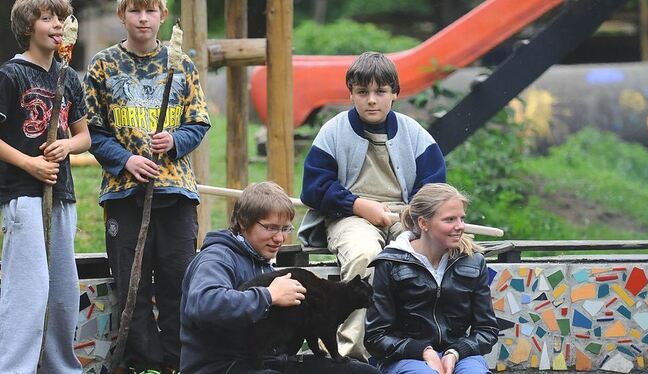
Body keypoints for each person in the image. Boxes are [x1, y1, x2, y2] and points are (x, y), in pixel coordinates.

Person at [83, 0, 210, 372]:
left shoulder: (181, 63)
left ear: (162, 17)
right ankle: (144, 362)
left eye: (150, 11)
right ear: (121, 16)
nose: (143, 19)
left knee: (178, 282)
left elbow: (198, 122)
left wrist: (174, 140)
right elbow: (91, 129)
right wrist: (126, 159)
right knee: (132, 286)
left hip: (175, 192)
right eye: (135, 11)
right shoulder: (103, 65)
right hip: (123, 193)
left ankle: (176, 362)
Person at [298, 51, 446, 361]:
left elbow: (434, 189)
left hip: (405, 213)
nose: (371, 100)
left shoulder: (416, 135)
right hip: (349, 214)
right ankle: (357, 355)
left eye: (380, 92)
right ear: (350, 93)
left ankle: (420, 345)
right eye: (362, 92)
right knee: (365, 257)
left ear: (395, 93)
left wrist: (412, 216)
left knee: (419, 258)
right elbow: (313, 188)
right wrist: (359, 205)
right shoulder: (332, 132)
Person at [180, 181, 380, 374]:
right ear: (243, 222)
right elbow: (204, 304)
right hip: (225, 366)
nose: (280, 238)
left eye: (285, 229)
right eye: (270, 227)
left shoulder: (261, 259)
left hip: (271, 361)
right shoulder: (217, 259)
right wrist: (268, 295)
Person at [0, 0, 91, 372]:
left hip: (62, 196)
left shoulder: (68, 77)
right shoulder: (10, 75)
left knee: (64, 293)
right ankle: (14, 367)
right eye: (47, 18)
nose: (58, 24)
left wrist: (67, 144)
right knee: (29, 290)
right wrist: (30, 164)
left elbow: (85, 136)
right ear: (27, 27)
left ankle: (60, 368)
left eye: (63, 18)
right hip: (23, 195)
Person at [364, 183, 499, 374]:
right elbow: (376, 337)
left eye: (462, 218)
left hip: (460, 355)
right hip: (406, 357)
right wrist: (424, 352)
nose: (460, 226)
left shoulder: (474, 262)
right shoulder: (390, 263)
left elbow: (487, 330)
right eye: (450, 219)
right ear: (423, 223)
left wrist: (455, 352)